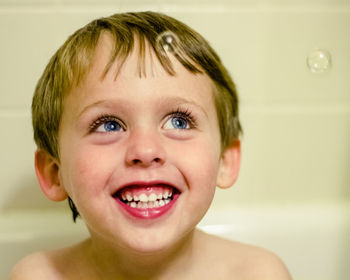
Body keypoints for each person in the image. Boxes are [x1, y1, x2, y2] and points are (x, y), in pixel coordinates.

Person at [10, 11, 292, 280]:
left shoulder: (258, 274)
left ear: (225, 161)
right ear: (54, 173)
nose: (145, 152)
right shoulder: (38, 276)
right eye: (109, 124)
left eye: (179, 122)